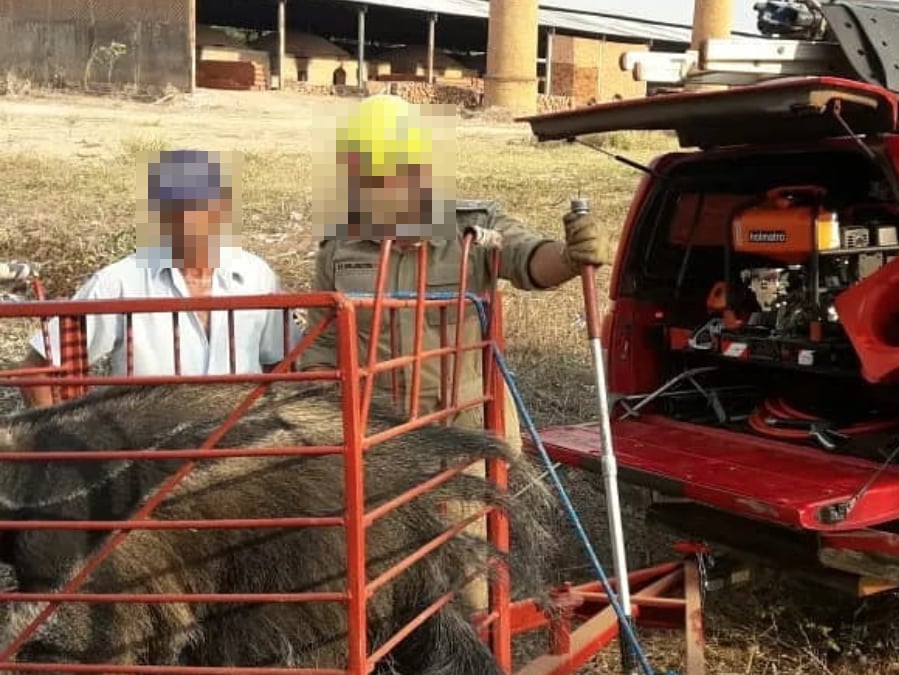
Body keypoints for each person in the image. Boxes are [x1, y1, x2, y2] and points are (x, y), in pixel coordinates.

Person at [298, 94, 611, 612]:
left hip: (460, 434)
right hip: (377, 436)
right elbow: (325, 341)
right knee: (381, 569)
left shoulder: (473, 230)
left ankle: (474, 637)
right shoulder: (341, 248)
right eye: (366, 178)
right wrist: (319, 411)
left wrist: (570, 256)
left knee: (467, 576)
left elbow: (530, 260)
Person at [19, 149, 299, 408]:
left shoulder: (256, 276)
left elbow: (284, 363)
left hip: (240, 437)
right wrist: (63, 442)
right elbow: (37, 371)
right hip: (148, 442)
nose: (194, 217)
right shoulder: (119, 282)